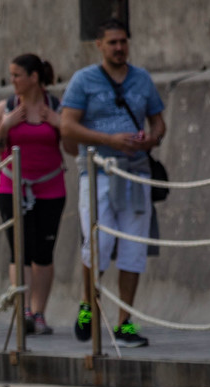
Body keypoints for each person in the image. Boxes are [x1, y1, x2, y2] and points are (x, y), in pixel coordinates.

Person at [61, 17, 166, 349]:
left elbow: (158, 121)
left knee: (134, 248)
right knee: (99, 242)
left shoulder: (142, 78)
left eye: (123, 42)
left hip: (135, 171)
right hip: (98, 171)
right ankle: (88, 305)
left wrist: (151, 139)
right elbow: (67, 126)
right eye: (112, 42)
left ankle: (125, 322)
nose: (119, 48)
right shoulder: (84, 80)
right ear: (99, 45)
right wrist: (109, 139)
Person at [0, 53, 65, 336]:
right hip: (12, 187)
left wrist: (60, 123)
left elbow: (73, 146)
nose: (13, 81)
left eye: (17, 75)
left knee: (44, 252)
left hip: (50, 188)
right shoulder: (5, 108)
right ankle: (24, 311)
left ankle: (40, 312)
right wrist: (5, 125)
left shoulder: (56, 106)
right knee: (20, 250)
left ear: (34, 77)